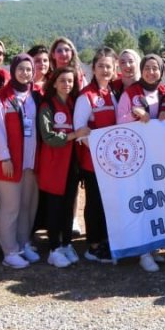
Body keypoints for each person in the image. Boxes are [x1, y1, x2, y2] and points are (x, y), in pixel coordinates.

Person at [117, 54, 165, 272]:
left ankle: (154, 246)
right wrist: (135, 115)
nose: (151, 72)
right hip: (137, 155)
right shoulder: (130, 93)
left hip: (159, 156)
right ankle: (142, 252)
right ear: (141, 70)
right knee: (141, 200)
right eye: (147, 68)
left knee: (156, 201)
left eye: (155, 68)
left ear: (161, 71)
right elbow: (119, 123)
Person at [0, 52, 39, 268]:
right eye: (21, 69)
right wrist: (5, 157)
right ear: (13, 71)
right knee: (10, 208)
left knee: (27, 206)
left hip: (30, 161)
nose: (25, 73)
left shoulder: (35, 96)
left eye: (29, 69)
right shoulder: (1, 98)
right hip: (9, 162)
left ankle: (23, 243)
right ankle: (9, 251)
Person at [74, 48, 122, 264]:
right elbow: (79, 130)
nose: (105, 70)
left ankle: (105, 241)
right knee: (94, 202)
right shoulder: (87, 96)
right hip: (94, 162)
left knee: (107, 203)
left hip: (113, 162)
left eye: (108, 66)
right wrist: (99, 151)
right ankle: (93, 246)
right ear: (93, 68)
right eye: (101, 66)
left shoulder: (112, 92)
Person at [37, 66, 86, 268]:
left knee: (68, 206)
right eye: (63, 80)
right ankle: (54, 249)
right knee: (54, 207)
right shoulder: (47, 105)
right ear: (54, 83)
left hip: (72, 164)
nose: (67, 84)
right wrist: (73, 135)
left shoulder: (75, 104)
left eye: (70, 81)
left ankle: (66, 243)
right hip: (54, 164)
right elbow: (48, 137)